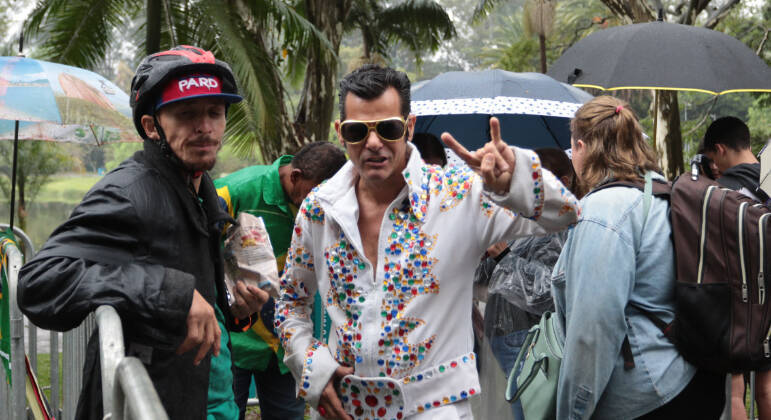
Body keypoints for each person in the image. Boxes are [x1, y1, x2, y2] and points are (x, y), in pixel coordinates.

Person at [274, 64, 580, 420]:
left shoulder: (459, 197)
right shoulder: (319, 210)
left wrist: (516, 181)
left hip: (435, 409)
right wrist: (313, 368)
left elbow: (567, 214)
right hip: (345, 409)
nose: (373, 143)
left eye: (387, 128)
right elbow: (291, 303)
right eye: (359, 131)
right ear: (341, 133)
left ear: (409, 127)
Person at [17, 46, 268, 419]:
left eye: (215, 113)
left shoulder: (201, 187)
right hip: (152, 400)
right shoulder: (129, 192)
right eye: (186, 114)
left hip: (213, 395)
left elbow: (201, 292)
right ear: (152, 127)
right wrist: (171, 292)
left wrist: (237, 309)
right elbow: (39, 282)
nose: (205, 127)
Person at [553, 96, 725, 419]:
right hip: (691, 378)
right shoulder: (663, 191)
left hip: (642, 395)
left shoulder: (602, 211)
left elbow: (592, 330)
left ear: (581, 147)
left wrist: (572, 413)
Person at [213, 142, 347, 420]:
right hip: (232, 342)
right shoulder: (237, 190)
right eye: (314, 194)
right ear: (295, 177)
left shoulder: (329, 208)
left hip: (284, 347)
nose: (319, 206)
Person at [474, 147, 577, 420]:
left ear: (563, 182)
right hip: (502, 337)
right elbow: (485, 281)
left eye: (538, 179)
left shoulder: (560, 226)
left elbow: (549, 292)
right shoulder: (520, 217)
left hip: (531, 341)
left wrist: (503, 255)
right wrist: (482, 252)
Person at [701, 116, 771, 420]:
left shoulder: (719, 193)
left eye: (712, 158)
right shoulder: (769, 181)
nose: (713, 165)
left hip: (735, 302)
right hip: (769, 299)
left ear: (719, 149)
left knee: (734, 390)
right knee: (767, 387)